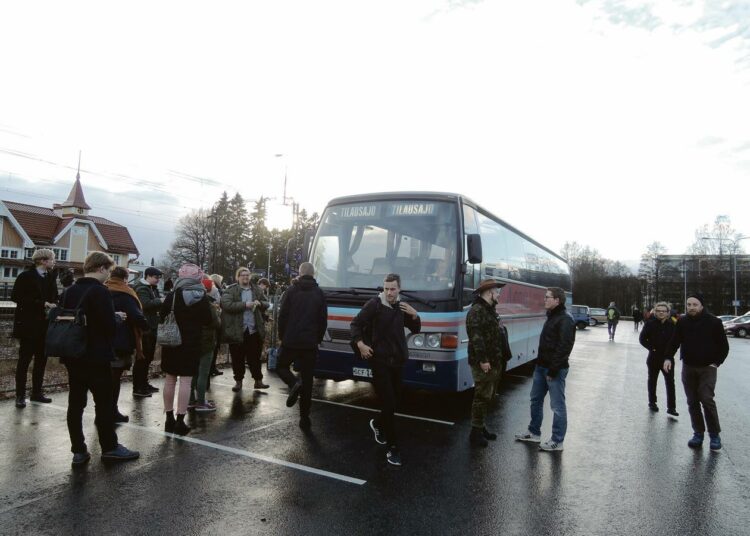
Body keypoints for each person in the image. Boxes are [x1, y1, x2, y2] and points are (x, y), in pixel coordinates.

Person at [61, 251, 139, 465]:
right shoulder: (100, 292)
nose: (108, 275)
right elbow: (107, 326)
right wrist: (117, 318)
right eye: (109, 270)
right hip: (96, 355)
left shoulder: (70, 291)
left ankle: (78, 450)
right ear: (102, 268)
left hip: (73, 354)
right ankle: (110, 447)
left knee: (75, 404)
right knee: (103, 403)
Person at [350, 273, 421, 466]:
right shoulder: (374, 304)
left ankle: (378, 424)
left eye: (393, 289)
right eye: (386, 288)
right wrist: (361, 344)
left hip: (398, 361)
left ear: (399, 289)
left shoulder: (402, 307)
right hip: (379, 361)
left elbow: (415, 329)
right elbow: (355, 324)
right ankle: (393, 447)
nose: (389, 292)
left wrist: (415, 315)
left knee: (395, 401)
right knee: (389, 403)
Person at [665, 293, 729, 451]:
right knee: (692, 401)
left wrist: (716, 363)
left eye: (695, 304)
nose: (691, 307)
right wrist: (667, 357)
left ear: (701, 306)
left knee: (706, 399)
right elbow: (674, 341)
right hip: (688, 367)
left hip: (708, 368)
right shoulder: (682, 321)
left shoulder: (714, 322)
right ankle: (698, 433)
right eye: (689, 304)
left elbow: (724, 346)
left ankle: (714, 435)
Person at [515, 287, 575, 452]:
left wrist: (553, 370)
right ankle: (534, 433)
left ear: (557, 300)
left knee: (557, 406)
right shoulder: (552, 316)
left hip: (553, 370)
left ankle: (557, 441)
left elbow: (564, 348)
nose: (544, 300)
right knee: (535, 399)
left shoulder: (565, 319)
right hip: (541, 367)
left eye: (547, 297)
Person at [160, 263, 214, 435]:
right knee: (185, 381)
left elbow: (162, 314)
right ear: (197, 277)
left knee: (169, 380)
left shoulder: (173, 295)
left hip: (171, 341)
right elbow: (208, 320)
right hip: (191, 343)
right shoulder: (201, 296)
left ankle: (169, 419)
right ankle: (180, 421)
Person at [276, 262, 328, 430]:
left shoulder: (291, 291)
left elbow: (282, 315)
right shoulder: (319, 293)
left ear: (299, 273)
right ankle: (304, 418)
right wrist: (317, 338)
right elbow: (323, 320)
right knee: (308, 381)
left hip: (291, 340)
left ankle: (292, 383)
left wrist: (282, 337)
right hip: (309, 343)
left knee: (281, 366)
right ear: (313, 274)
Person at [466, 279, 512, 447]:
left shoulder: (490, 310)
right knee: (482, 396)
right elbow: (476, 339)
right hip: (484, 363)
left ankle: (481, 426)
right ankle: (475, 433)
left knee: (488, 396)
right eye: (497, 291)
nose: (499, 294)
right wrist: (483, 361)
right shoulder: (476, 311)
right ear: (489, 293)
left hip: (495, 361)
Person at [12, 248, 58, 408]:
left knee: (41, 361)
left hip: (45, 326)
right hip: (28, 326)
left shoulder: (51, 277)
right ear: (43, 261)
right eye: (52, 259)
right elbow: (16, 297)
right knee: (24, 362)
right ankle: (20, 395)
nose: (54, 262)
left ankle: (36, 393)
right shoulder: (25, 276)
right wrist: (41, 303)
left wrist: (54, 304)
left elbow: (54, 296)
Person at [105, 267, 149, 423]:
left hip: (102, 339)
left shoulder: (103, 289)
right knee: (114, 378)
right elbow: (136, 315)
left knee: (104, 379)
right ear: (125, 278)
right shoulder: (125, 293)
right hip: (120, 340)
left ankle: (102, 412)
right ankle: (111, 412)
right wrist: (145, 326)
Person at [221, 267, 270, 392]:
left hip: (253, 329)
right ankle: (238, 382)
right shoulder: (231, 290)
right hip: (237, 330)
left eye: (247, 275)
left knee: (255, 358)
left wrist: (260, 303)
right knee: (237, 358)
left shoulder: (257, 289)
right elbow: (226, 304)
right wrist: (244, 305)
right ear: (238, 277)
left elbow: (267, 303)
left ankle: (258, 381)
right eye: (243, 275)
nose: (245, 277)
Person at [639, 301, 678, 416]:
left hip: (668, 359)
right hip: (653, 358)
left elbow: (676, 342)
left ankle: (671, 407)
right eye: (658, 311)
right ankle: (652, 402)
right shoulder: (650, 324)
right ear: (655, 312)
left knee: (670, 382)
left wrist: (669, 355)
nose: (661, 313)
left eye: (663, 311)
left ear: (668, 313)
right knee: (652, 380)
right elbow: (642, 339)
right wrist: (652, 348)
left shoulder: (673, 325)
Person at [189, 277, 221, 412]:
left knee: (192, 373)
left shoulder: (188, 302)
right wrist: (218, 315)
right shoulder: (208, 304)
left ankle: (190, 400)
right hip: (206, 341)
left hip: (191, 341)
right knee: (203, 373)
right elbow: (216, 323)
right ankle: (201, 402)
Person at [131, 267, 164, 397]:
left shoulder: (151, 288)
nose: (158, 280)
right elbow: (145, 304)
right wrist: (160, 301)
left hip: (151, 326)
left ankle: (144, 383)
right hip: (145, 328)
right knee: (142, 358)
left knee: (148, 357)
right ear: (148, 276)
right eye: (156, 277)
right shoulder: (142, 288)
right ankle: (138, 387)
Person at [208, 273, 225, 377]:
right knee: (215, 345)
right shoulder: (217, 290)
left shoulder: (210, 289)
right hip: (216, 319)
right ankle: (212, 368)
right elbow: (220, 303)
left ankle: (211, 368)